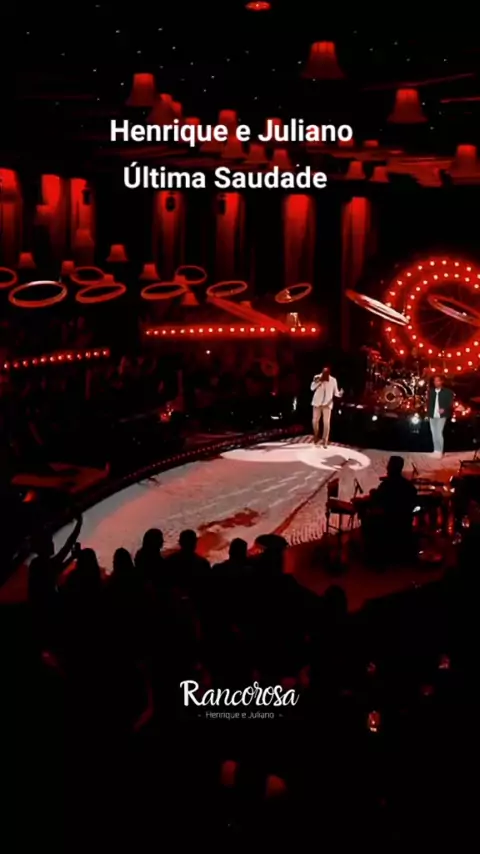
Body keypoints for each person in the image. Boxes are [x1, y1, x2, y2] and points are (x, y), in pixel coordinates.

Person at [310, 367, 343, 446]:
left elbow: (336, 393)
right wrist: (319, 381)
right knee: (314, 421)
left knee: (326, 423)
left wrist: (340, 394)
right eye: (323, 373)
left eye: (326, 373)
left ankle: (325, 440)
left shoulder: (333, 380)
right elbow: (312, 388)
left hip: (327, 404)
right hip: (317, 403)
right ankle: (316, 435)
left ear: (329, 373)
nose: (325, 375)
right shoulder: (317, 377)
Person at [427, 375, 454, 457]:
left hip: (442, 415)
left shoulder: (448, 392)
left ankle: (440, 451)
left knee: (439, 433)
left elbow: (450, 403)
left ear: (442, 381)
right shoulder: (431, 392)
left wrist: (444, 409)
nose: (436, 382)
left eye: (438, 380)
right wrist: (428, 413)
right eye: (434, 381)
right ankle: (436, 450)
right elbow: (429, 403)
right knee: (433, 433)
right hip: (432, 415)